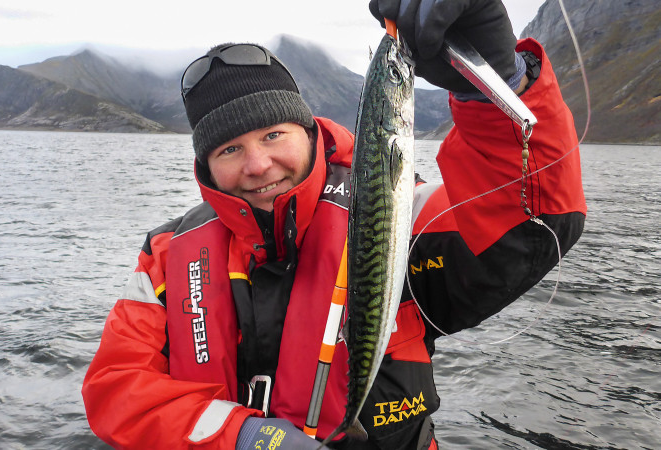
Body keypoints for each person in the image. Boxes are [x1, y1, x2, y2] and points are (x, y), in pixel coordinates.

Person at [82, 0, 587, 448]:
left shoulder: (405, 213)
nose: (258, 165)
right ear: (205, 166)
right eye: (230, 149)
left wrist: (498, 85)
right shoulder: (167, 254)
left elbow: (530, 222)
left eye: (273, 134)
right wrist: (243, 438)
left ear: (307, 131)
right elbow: (115, 390)